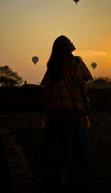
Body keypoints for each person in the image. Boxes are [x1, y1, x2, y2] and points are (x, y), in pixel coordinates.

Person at [40, 35, 93, 185]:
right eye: (69, 42)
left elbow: (47, 89)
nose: (72, 43)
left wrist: (47, 108)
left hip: (55, 110)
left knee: (58, 142)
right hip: (74, 108)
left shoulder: (52, 66)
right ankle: (71, 174)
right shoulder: (76, 63)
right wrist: (86, 103)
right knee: (75, 141)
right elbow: (83, 85)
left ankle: (60, 174)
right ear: (67, 47)